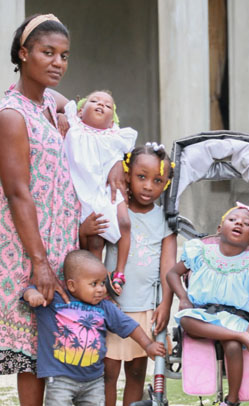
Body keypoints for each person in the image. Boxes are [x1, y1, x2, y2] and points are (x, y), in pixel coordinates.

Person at [0, 14, 80, 406]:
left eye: (63, 56)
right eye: (47, 53)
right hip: (27, 247)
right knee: (32, 352)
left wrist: (72, 118)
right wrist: (39, 262)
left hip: (59, 243)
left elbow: (85, 107)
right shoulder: (12, 116)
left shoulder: (49, 102)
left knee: (52, 345)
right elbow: (18, 193)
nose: (57, 63)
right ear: (23, 53)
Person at [23, 249, 166, 406]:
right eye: (94, 284)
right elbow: (27, 290)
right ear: (72, 285)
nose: (101, 289)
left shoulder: (105, 307)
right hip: (60, 379)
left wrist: (148, 345)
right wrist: (32, 295)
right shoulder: (56, 301)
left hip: (94, 381)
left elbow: (129, 325)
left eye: (102, 283)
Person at [166, 203, 249, 406]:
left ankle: (232, 400)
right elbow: (172, 274)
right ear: (219, 228)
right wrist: (183, 298)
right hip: (203, 315)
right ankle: (237, 336)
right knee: (186, 320)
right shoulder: (201, 252)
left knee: (232, 346)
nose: (239, 223)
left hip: (235, 318)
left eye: (247, 223)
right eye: (233, 220)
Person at [104, 142, 177, 406]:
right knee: (107, 374)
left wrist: (165, 303)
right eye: (141, 177)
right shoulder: (114, 210)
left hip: (145, 308)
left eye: (157, 180)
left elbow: (168, 267)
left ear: (166, 184)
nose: (148, 186)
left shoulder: (166, 219)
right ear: (127, 176)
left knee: (136, 374)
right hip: (112, 305)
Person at [63, 90, 138, 295]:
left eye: (107, 106)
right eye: (94, 101)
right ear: (80, 112)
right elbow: (60, 104)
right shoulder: (73, 126)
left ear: (112, 121)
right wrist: (62, 116)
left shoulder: (115, 136)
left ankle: (119, 272)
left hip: (107, 189)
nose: (100, 105)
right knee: (95, 240)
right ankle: (97, 283)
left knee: (125, 222)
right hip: (83, 191)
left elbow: (125, 152)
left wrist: (119, 162)